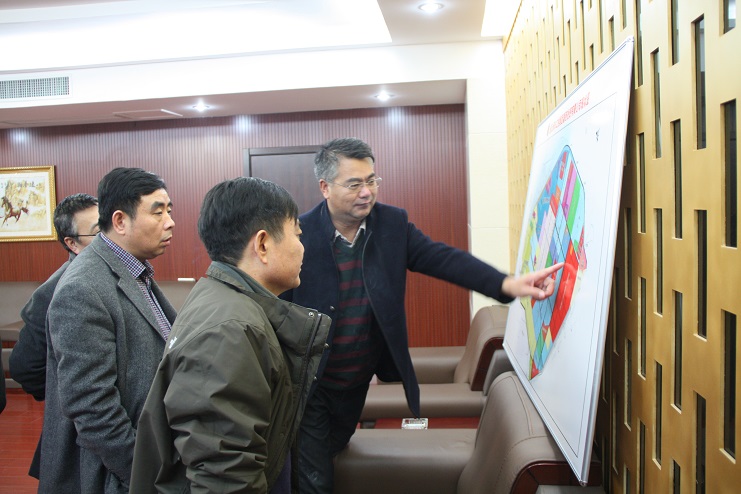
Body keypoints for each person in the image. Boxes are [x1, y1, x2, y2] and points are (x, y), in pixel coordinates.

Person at [281, 137, 564, 493]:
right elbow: (278, 305)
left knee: (331, 452)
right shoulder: (300, 235)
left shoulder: (391, 225)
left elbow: (442, 259)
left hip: (356, 381)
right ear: (325, 187)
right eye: (354, 184)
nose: (367, 192)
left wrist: (506, 284)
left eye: (371, 180)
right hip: (311, 384)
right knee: (314, 478)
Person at [129, 177, 331, 494]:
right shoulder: (229, 331)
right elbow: (225, 479)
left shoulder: (223, 299)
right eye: (297, 234)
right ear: (262, 244)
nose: (302, 247)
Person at [40, 168, 176, 494]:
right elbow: (93, 409)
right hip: (113, 475)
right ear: (120, 221)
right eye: (158, 212)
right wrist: (146, 475)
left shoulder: (135, 271)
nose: (170, 222)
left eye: (169, 211)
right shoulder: (83, 288)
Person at [9, 193, 99, 479]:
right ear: (72, 243)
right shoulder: (55, 291)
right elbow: (25, 367)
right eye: (98, 232)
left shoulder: (106, 274)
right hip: (79, 433)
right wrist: (66, 395)